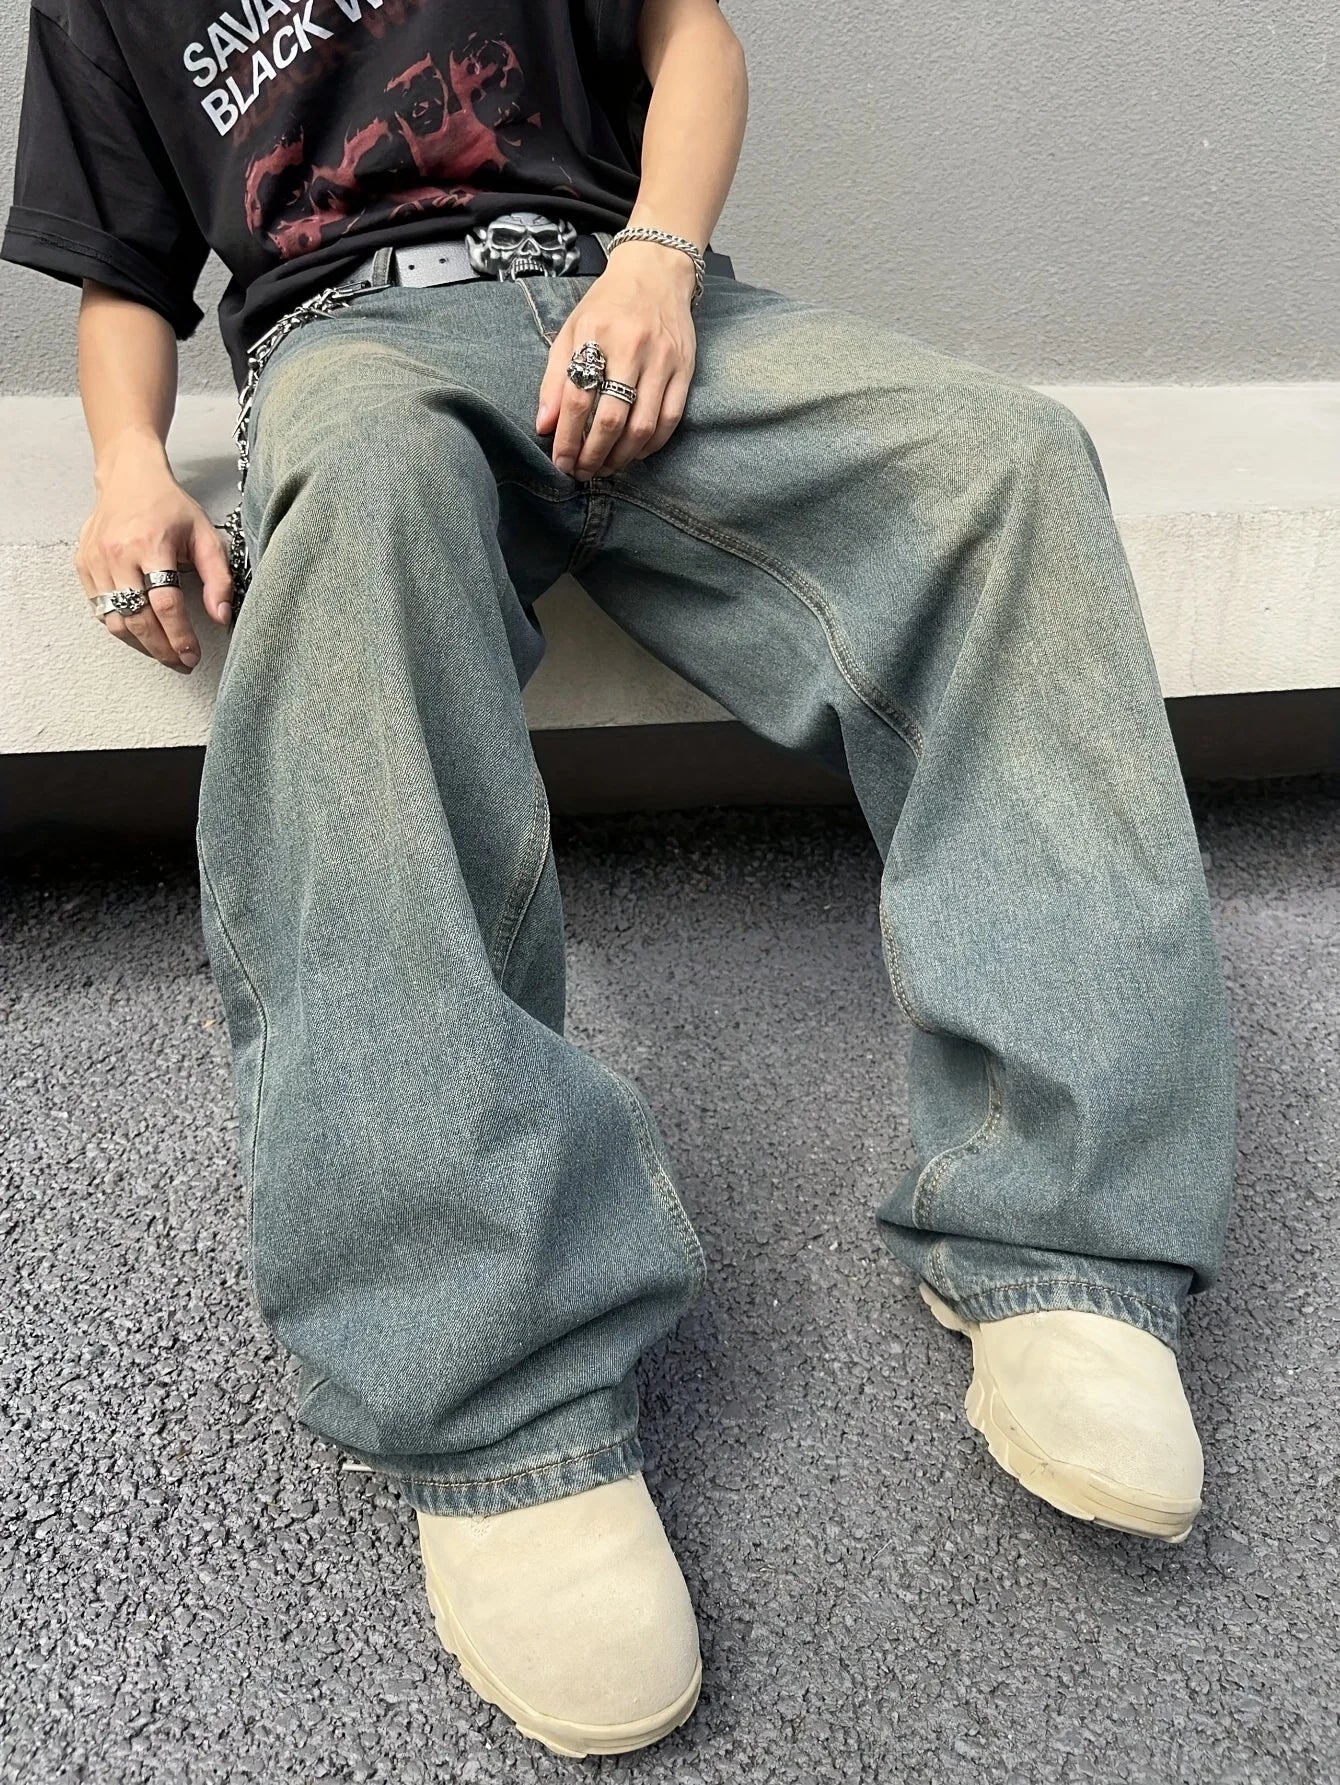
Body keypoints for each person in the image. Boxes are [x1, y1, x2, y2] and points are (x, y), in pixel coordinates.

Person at [3, 0, 1238, 1759]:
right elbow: (122, 274)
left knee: (1006, 465)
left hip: (633, 293)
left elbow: (691, 37)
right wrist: (130, 467)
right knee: (357, 532)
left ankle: (1069, 1242)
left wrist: (656, 264)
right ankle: (500, 1399)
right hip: (352, 343)